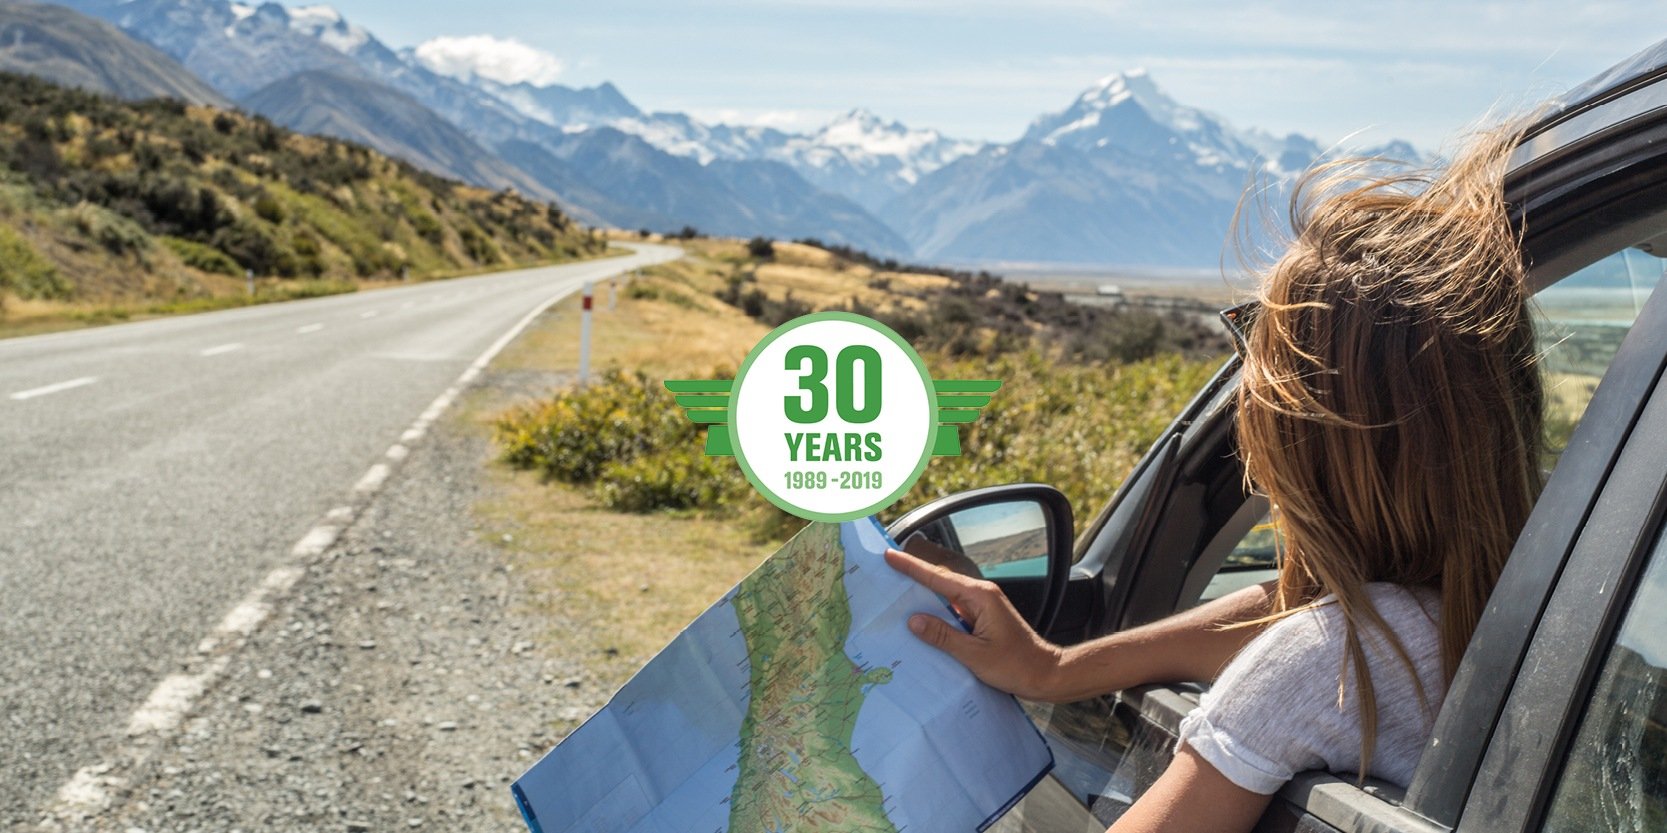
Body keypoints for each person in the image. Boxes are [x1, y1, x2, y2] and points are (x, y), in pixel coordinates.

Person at [887, 121, 1545, 833]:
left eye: (1253, 357)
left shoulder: (1326, 662)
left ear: (1301, 436)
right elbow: (1287, 612)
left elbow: (1308, 641)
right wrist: (1052, 670)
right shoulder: (1524, 611)